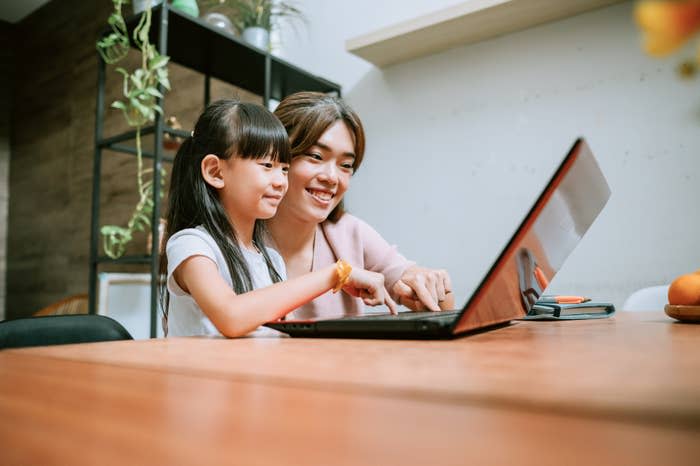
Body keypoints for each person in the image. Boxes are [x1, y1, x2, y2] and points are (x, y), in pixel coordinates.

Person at [159, 99, 397, 338]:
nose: (281, 181)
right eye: (267, 165)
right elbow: (231, 317)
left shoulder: (271, 259)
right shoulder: (191, 245)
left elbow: (284, 336)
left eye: (284, 168)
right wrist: (336, 274)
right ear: (215, 171)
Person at [267, 92, 455, 319]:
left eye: (346, 165)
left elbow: (440, 306)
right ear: (274, 155)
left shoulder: (349, 232)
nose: (332, 177)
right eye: (316, 156)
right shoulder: (235, 233)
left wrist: (426, 284)